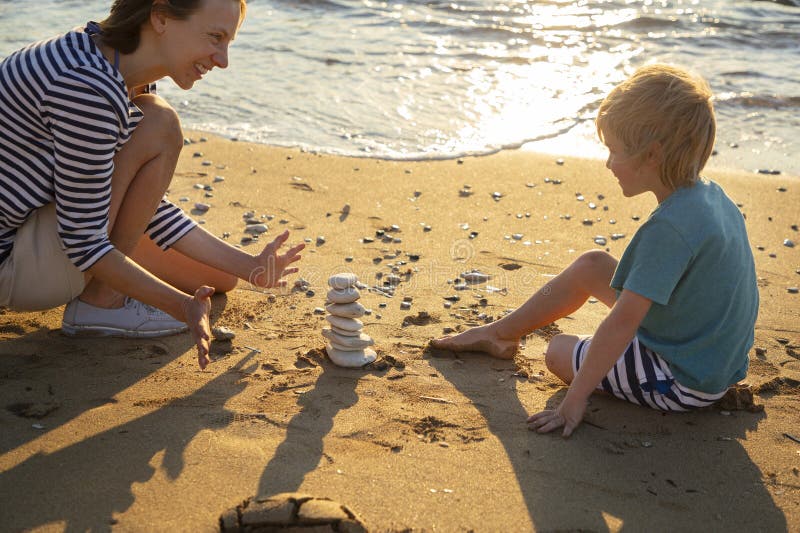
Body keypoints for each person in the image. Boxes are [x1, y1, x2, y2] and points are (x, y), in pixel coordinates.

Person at [431, 64, 759, 437]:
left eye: (614, 151)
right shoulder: (711, 198)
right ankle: (500, 332)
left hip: (683, 381)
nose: (608, 163)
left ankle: (533, 350)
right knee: (592, 265)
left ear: (651, 156)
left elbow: (623, 322)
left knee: (557, 350)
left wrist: (575, 398)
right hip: (707, 352)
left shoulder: (668, 229)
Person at [0, 0, 304, 370]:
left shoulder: (113, 66)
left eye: (228, 43)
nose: (222, 60)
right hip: (11, 262)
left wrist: (252, 267)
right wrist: (181, 307)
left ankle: (110, 292)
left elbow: (128, 197)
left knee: (220, 278)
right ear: (160, 18)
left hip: (36, 227)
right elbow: (82, 240)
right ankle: (102, 303)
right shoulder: (88, 87)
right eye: (215, 37)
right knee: (159, 122)